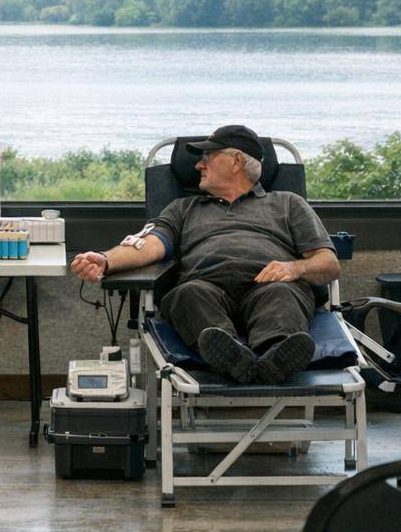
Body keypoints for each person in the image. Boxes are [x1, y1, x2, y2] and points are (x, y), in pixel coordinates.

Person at [69, 124, 339, 384]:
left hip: (270, 285)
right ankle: (232, 354)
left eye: (207, 157)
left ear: (236, 162)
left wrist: (294, 269)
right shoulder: (184, 208)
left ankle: (276, 356)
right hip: (206, 287)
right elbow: (149, 245)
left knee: (283, 295)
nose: (198, 165)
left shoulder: (288, 204)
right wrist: (105, 259)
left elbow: (328, 263)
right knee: (189, 294)